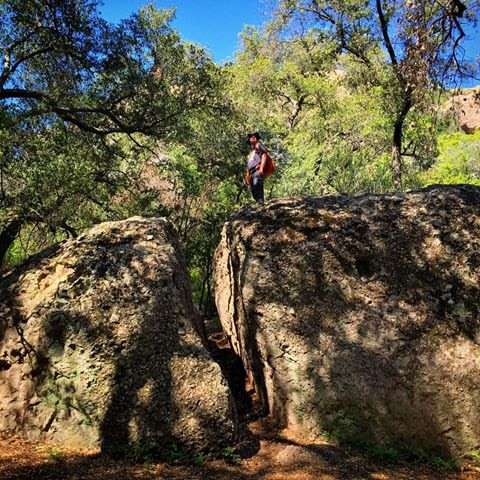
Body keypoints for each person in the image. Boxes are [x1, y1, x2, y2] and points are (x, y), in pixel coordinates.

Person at [246, 132, 268, 204]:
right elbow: (249, 165)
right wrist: (247, 175)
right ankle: (259, 203)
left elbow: (264, 155)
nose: (253, 137)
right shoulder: (251, 152)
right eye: (251, 137)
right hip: (251, 172)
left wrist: (261, 168)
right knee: (253, 189)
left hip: (257, 170)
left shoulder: (258, 145)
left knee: (257, 184)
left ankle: (261, 202)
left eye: (254, 136)